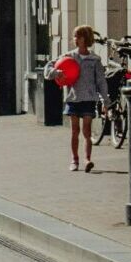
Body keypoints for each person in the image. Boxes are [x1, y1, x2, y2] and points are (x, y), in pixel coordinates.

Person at [46, 25, 105, 172]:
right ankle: (74, 159)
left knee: (87, 131)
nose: (74, 39)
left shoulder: (94, 59)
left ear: (83, 39)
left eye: (76, 36)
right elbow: (49, 67)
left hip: (89, 99)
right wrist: (56, 72)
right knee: (74, 131)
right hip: (73, 98)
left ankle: (87, 159)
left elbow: (101, 81)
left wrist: (105, 100)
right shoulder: (69, 56)